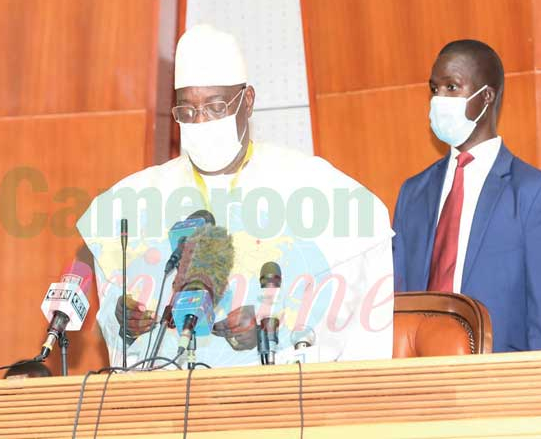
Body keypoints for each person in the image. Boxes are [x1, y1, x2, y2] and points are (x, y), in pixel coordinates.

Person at [77, 25, 395, 368]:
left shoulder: (311, 184)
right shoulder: (133, 198)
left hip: (277, 403)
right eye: (187, 111)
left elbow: (351, 302)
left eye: (215, 107)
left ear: (247, 101)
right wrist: (123, 323)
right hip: (170, 403)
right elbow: (113, 319)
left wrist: (273, 329)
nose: (200, 122)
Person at [392, 39, 541, 352]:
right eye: (434, 89)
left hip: (501, 383)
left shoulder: (536, 193)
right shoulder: (413, 192)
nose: (438, 99)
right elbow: (398, 298)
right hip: (421, 379)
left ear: (486, 97)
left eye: (452, 87)